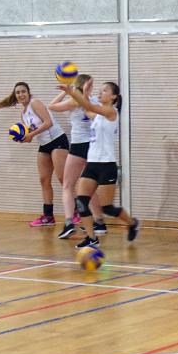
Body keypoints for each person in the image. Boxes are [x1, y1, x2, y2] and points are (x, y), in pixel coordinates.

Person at [57, 80, 140, 249]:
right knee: (81, 202)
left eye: (105, 91)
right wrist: (84, 94)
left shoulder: (111, 111)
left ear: (114, 97)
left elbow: (90, 107)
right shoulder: (97, 115)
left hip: (106, 165)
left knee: (107, 207)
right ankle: (91, 237)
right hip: (92, 164)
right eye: (100, 91)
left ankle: (132, 223)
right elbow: (87, 108)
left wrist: (72, 91)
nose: (101, 93)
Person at [0, 82, 69, 227]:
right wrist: (24, 138)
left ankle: (78, 212)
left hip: (57, 139)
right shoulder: (23, 114)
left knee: (62, 177)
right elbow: (31, 133)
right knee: (43, 179)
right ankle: (48, 216)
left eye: (23, 92)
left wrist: (31, 134)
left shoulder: (35, 103)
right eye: (18, 93)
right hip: (44, 144)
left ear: (28, 93)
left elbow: (48, 123)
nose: (21, 95)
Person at [48, 74, 106, 239]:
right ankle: (99, 222)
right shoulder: (94, 101)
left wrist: (66, 92)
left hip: (79, 146)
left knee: (68, 185)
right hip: (94, 146)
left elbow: (51, 106)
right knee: (88, 185)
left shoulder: (74, 102)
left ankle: (68, 223)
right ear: (90, 86)